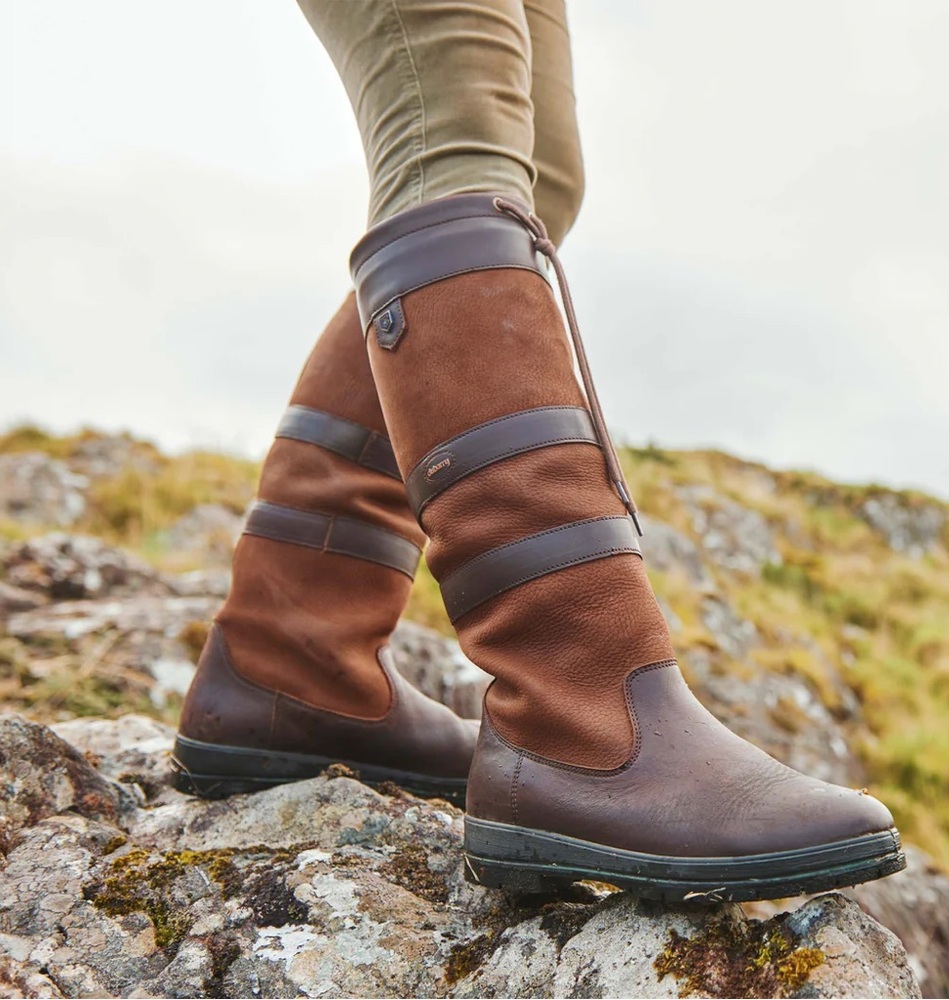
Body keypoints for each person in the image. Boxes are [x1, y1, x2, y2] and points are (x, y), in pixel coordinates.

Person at [173, 0, 905, 901]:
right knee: (454, 130)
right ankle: (581, 711)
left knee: (536, 176)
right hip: (579, 706)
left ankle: (292, 659)